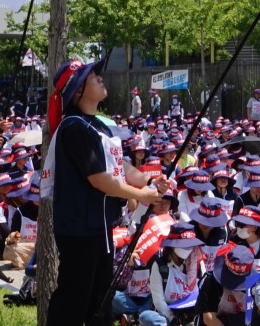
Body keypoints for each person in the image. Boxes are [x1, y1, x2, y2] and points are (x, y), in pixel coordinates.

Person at [44, 58, 170, 326]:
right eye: (92, 76)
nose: (100, 78)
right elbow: (99, 179)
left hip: (100, 229)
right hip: (79, 230)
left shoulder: (98, 125)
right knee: (73, 301)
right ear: (78, 90)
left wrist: (149, 179)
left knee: (101, 301)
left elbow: (118, 166)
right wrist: (140, 195)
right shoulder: (74, 127)